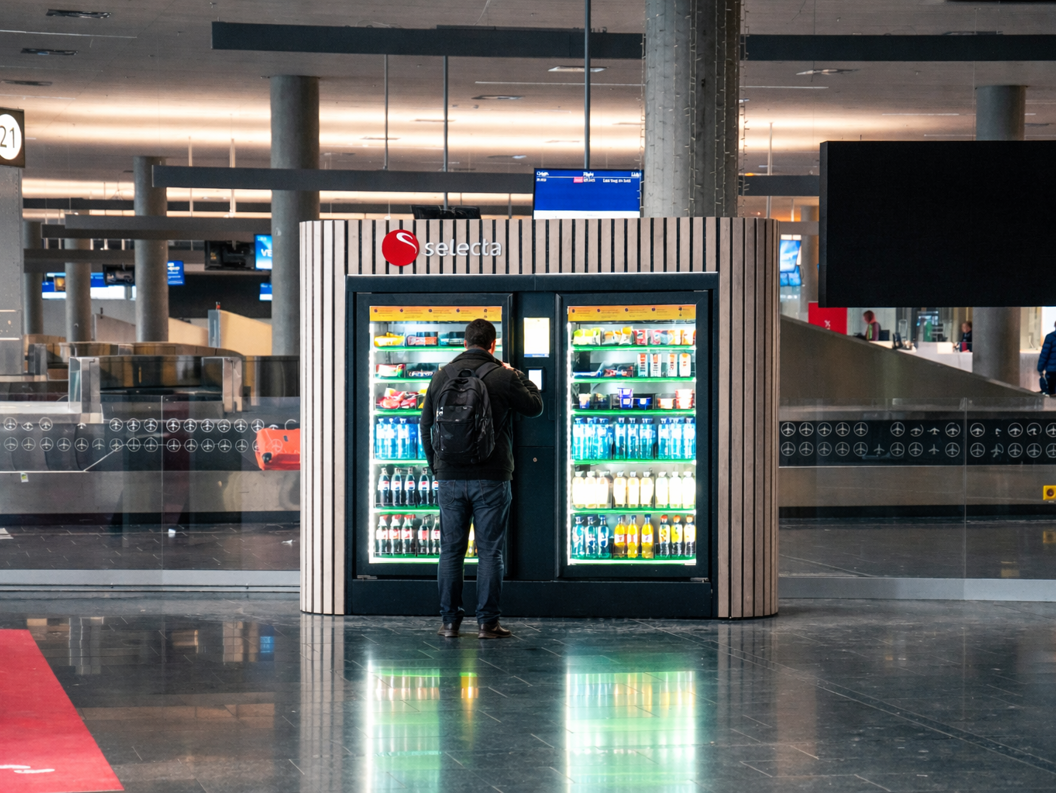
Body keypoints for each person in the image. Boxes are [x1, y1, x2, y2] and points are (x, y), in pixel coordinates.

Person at [420, 318, 543, 639]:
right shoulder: (502, 376)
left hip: (449, 477)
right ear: (492, 345)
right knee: (490, 551)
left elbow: (425, 426)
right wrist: (516, 372)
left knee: (450, 551)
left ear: (464, 343)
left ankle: (449, 622)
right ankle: (488, 623)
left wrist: (437, 467)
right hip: (492, 476)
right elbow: (536, 406)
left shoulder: (440, 375)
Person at [1038, 321, 1056, 395]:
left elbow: (1044, 355)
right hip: (1052, 371)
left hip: (1052, 372)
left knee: (1051, 393)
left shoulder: (1050, 337)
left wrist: (1040, 369)